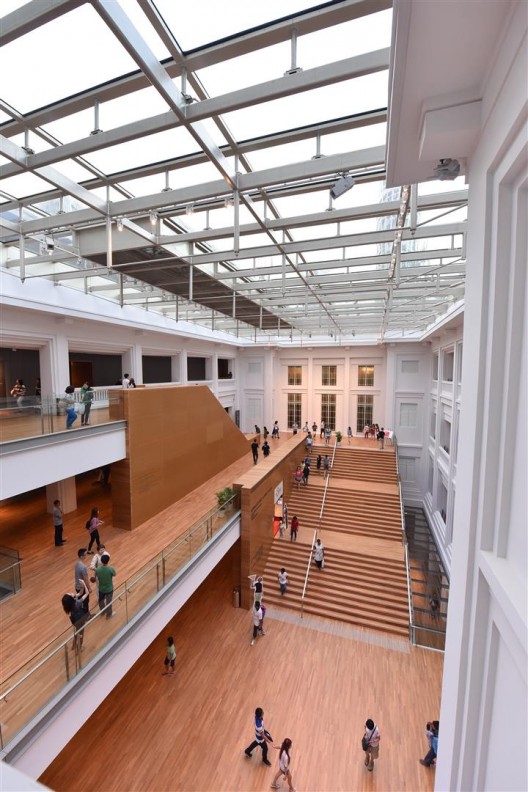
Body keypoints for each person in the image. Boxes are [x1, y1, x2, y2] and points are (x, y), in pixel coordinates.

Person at [62, 579, 90, 652]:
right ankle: (79, 648)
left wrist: (82, 586)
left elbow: (80, 593)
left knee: (76, 631)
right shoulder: (77, 603)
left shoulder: (69, 604)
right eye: (70, 594)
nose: (71, 593)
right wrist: (84, 583)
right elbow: (86, 593)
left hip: (74, 620)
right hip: (80, 619)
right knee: (81, 634)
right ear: (71, 599)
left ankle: (74, 645)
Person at [95, 553, 116, 618]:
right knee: (108, 602)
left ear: (101, 561)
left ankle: (102, 612)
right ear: (108, 560)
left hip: (101, 589)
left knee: (101, 601)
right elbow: (114, 574)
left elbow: (95, 575)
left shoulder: (98, 569)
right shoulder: (111, 569)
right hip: (109, 589)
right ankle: (109, 615)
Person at [74, 548, 92, 615]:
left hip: (77, 586)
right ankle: (87, 615)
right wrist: (89, 588)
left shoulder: (77, 564)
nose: (86, 556)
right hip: (83, 587)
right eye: (85, 554)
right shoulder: (83, 567)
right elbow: (86, 579)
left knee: (81, 601)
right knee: (85, 601)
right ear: (81, 556)